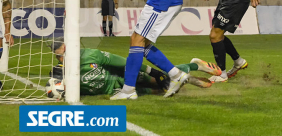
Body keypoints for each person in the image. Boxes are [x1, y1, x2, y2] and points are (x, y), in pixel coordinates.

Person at [50, 38, 222, 96]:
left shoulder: (90, 55)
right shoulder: (59, 71)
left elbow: (126, 63)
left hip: (124, 77)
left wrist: (152, 71)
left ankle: (194, 65)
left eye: (61, 52)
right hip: (114, 90)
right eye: (57, 55)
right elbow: (54, 87)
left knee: (161, 80)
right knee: (158, 90)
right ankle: (190, 75)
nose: (60, 57)